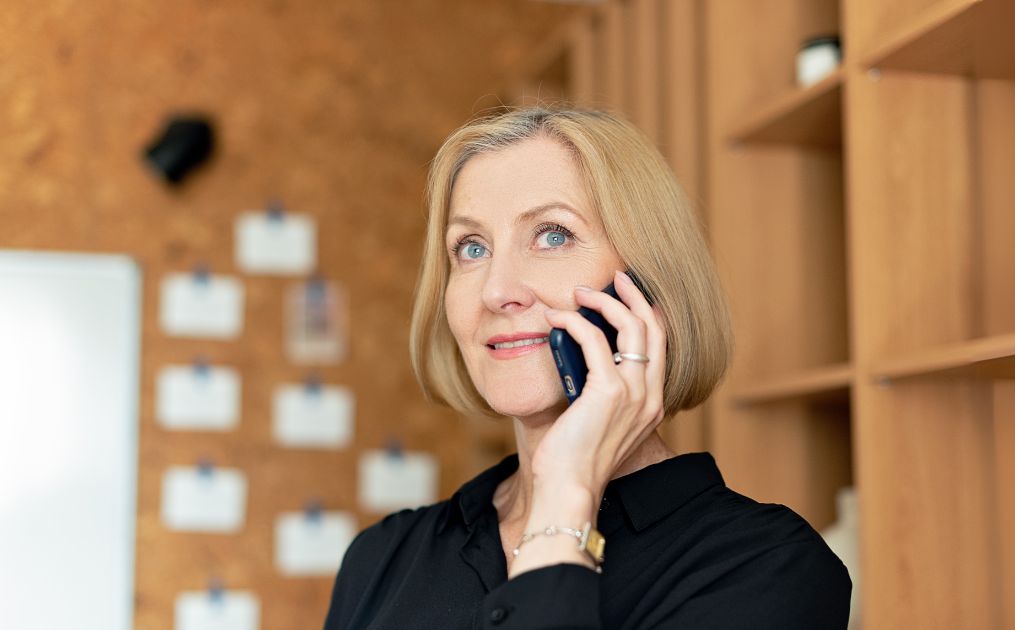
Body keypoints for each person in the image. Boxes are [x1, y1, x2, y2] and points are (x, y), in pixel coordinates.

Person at [323, 106, 850, 629]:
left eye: (553, 235)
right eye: (471, 247)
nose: (497, 290)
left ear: (648, 290)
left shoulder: (764, 566)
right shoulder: (382, 558)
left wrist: (564, 496)